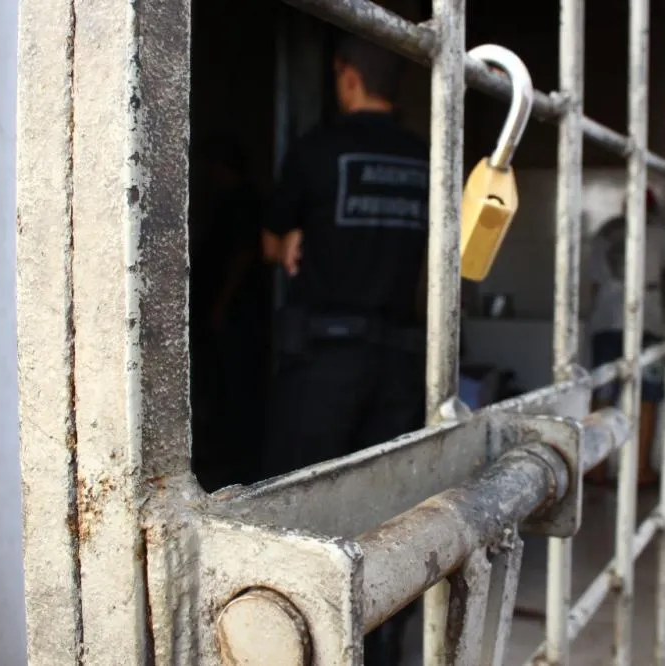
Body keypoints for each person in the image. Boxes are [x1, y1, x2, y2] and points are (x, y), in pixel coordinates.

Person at [261, 33, 428, 666]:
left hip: (326, 360)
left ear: (347, 76)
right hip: (403, 364)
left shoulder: (316, 151)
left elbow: (277, 244)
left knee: (301, 511)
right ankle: (380, 644)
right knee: (389, 515)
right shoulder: (427, 159)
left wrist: (287, 245)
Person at [189, 135, 269, 492]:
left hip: (236, 313)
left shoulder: (241, 204)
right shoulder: (233, 202)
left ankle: (239, 462)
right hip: (231, 310)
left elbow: (241, 258)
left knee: (234, 383)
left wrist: (220, 307)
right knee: (224, 382)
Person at [585, 189, 665, 487]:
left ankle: (595, 467)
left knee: (603, 393)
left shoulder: (604, 233)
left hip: (605, 322)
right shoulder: (660, 234)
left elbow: (593, 286)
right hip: (647, 322)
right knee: (648, 396)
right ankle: (640, 470)